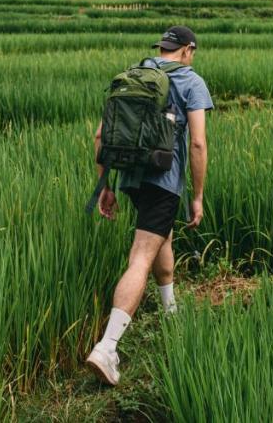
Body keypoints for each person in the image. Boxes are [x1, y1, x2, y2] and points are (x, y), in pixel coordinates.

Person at [85, 25, 213, 386]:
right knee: (142, 254)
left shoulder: (134, 74)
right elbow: (199, 144)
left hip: (130, 178)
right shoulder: (191, 81)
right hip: (164, 182)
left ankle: (171, 312)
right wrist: (197, 195)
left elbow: (100, 135)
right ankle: (107, 348)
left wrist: (105, 186)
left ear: (163, 48)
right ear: (187, 50)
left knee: (161, 238)